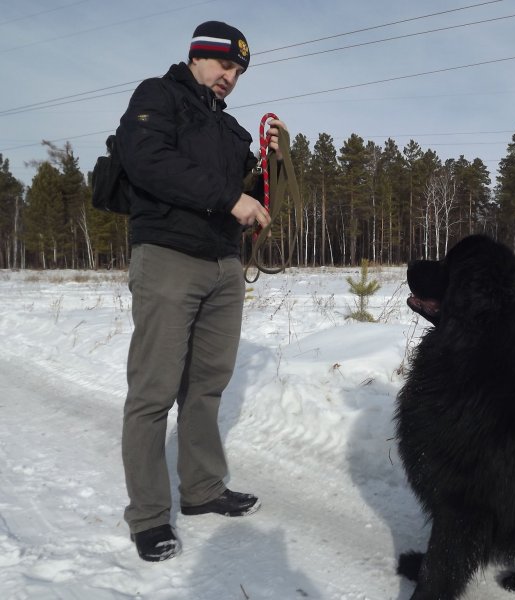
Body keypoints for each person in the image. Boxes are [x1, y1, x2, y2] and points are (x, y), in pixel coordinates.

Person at [116, 20, 286, 562]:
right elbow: (146, 161)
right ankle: (147, 516)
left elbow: (251, 198)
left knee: (207, 385)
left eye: (238, 71)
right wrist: (230, 200)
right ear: (197, 57)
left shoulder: (232, 130)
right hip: (168, 257)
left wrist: (271, 165)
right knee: (153, 392)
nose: (230, 77)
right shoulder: (158, 96)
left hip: (223, 265)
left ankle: (202, 490)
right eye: (223, 65)